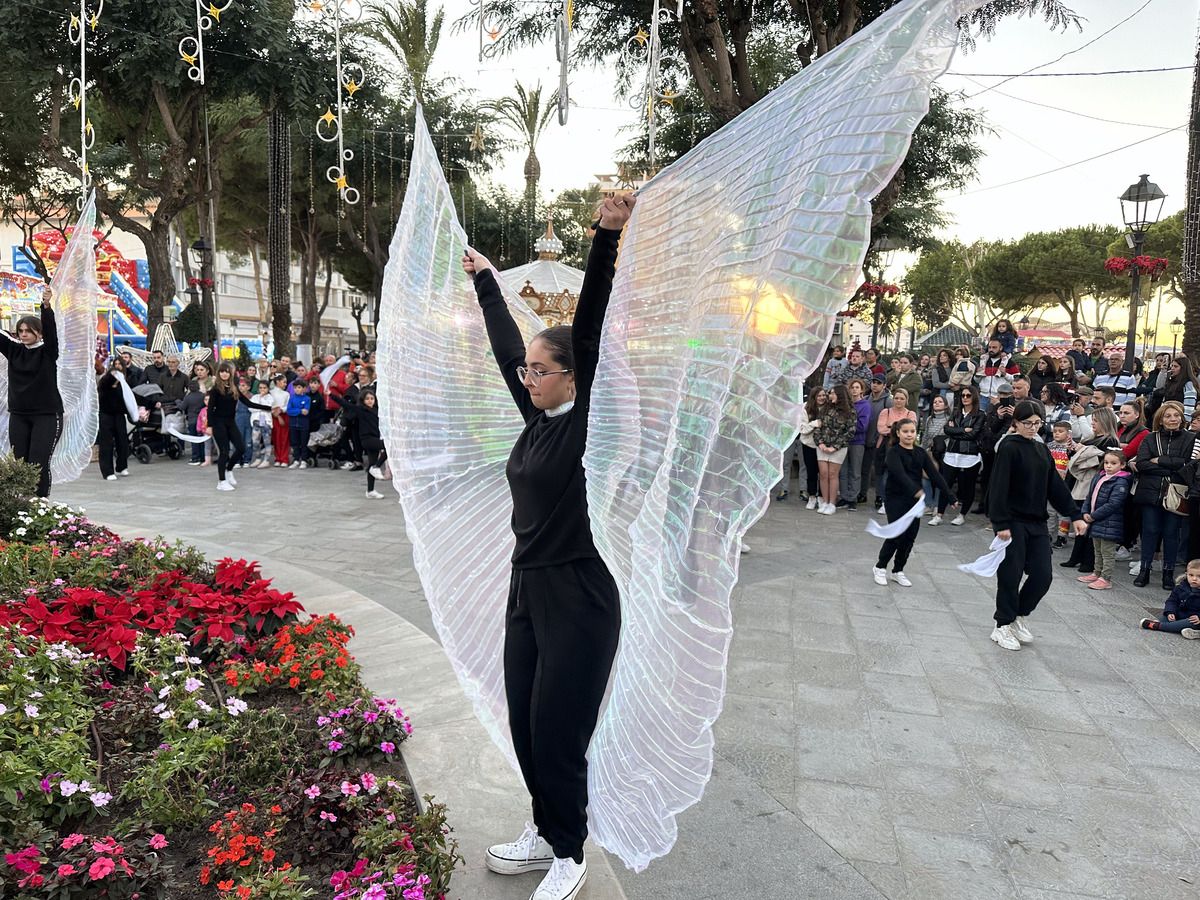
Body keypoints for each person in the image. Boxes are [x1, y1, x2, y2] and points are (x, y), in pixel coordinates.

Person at [466, 195, 631, 900]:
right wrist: (485, 281)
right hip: (528, 588)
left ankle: (569, 851)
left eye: (540, 370)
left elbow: (588, 327)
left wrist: (604, 238)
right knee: (528, 726)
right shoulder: (535, 418)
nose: (526, 377)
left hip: (581, 595)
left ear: (570, 376)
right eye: (526, 371)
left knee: (560, 734)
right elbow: (508, 347)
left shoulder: (579, 422)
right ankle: (543, 828)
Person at [988, 400, 1086, 651]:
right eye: (1027, 423)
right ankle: (1002, 625)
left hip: (1036, 521)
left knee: (1043, 575)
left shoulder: (1042, 450)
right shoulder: (1009, 447)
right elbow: (998, 486)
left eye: (1037, 423)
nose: (1033, 428)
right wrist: (1000, 522)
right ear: (1016, 423)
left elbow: (1054, 485)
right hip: (1012, 521)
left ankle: (1019, 615)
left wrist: (1074, 514)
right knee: (1011, 574)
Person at [871, 419, 956, 587]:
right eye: (905, 431)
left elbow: (935, 475)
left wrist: (950, 495)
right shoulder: (893, 452)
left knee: (910, 536)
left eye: (912, 431)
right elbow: (899, 474)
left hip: (915, 501)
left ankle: (898, 570)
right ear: (898, 433)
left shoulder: (920, 452)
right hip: (896, 498)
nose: (909, 434)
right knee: (896, 533)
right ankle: (880, 567)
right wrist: (915, 490)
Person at [0, 284, 62, 497]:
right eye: (21, 331)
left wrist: (46, 306)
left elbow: (52, 333)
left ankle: (40, 503)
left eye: (29, 331)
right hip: (19, 415)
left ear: (38, 332)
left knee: (38, 462)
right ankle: (22, 504)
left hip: (46, 414)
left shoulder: (48, 352)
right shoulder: (14, 349)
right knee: (20, 463)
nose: (24, 334)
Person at [1132, 401, 1196, 588]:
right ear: (1160, 420)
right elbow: (1142, 464)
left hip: (1176, 495)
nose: (1173, 419)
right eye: (1168, 416)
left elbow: (1189, 465)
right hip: (1151, 493)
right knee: (1150, 532)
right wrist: (1172, 468)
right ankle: (1144, 570)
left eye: (1176, 416)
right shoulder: (1150, 439)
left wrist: (1160, 460)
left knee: (1171, 534)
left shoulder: (1190, 438)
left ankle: (1168, 573)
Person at [205, 362, 271, 491]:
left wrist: (267, 408)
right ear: (219, 373)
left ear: (230, 373)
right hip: (218, 423)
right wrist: (209, 425)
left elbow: (247, 402)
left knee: (241, 448)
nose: (224, 374)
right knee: (224, 452)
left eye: (227, 371)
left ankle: (229, 470)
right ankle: (221, 481)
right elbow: (210, 409)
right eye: (222, 371)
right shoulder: (215, 390)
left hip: (231, 422)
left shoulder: (234, 388)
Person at [1077, 450, 1130, 591]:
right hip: (1096, 520)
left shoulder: (1121, 481)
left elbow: (1114, 504)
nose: (1108, 466)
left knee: (1107, 552)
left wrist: (1093, 516)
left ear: (1123, 465)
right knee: (1098, 550)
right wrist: (1085, 512)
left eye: (1113, 463)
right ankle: (1097, 572)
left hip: (1109, 522)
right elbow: (1090, 495)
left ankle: (1106, 578)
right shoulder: (1100, 476)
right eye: (1106, 462)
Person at [932, 384, 984, 527]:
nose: (965, 398)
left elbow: (974, 434)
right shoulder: (956, 412)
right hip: (952, 454)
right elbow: (947, 430)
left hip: (970, 456)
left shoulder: (980, 414)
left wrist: (956, 431)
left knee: (967, 487)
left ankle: (962, 515)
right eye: (963, 395)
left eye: (968, 395)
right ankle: (939, 514)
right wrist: (963, 430)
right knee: (945, 484)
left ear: (974, 397)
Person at [816, 384, 856, 515]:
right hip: (822, 446)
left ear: (840, 395)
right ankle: (825, 501)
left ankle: (832, 503)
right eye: (830, 393)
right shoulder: (825, 409)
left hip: (838, 448)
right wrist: (820, 443)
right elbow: (818, 427)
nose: (830, 395)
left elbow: (850, 432)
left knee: (832, 474)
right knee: (823, 474)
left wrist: (835, 447)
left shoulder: (850, 411)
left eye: (832, 393)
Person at [873, 387, 917, 508]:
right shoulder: (885, 412)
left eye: (902, 398)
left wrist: (891, 427)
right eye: (896, 398)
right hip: (884, 446)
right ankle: (883, 499)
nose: (898, 401)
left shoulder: (910, 414)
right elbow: (881, 429)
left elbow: (910, 430)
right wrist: (898, 428)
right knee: (883, 473)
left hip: (903, 448)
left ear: (906, 400)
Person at [1139, 559, 1200, 638]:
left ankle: (1158, 626)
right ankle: (1167, 625)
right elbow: (1172, 601)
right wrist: (1170, 612)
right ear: (1186, 574)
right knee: (1164, 618)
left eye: (1199, 576)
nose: (1194, 579)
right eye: (1191, 575)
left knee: (1190, 622)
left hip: (1194, 619)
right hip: (1179, 614)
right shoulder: (1181, 587)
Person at [96, 357, 132, 481]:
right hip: (106, 414)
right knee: (106, 443)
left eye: (119, 364)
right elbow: (103, 386)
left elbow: (130, 397)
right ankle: (107, 471)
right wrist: (112, 376)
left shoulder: (124, 382)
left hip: (119, 415)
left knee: (122, 441)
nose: (117, 366)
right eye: (115, 364)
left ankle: (122, 466)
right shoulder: (106, 380)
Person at [838, 379, 870, 510]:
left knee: (855, 471)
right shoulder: (845, 404)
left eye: (857, 387)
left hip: (857, 442)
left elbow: (863, 426)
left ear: (862, 390)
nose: (854, 389)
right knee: (843, 470)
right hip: (844, 442)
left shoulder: (865, 405)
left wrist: (847, 426)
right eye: (852, 387)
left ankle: (853, 498)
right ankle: (844, 497)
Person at [919, 394, 950, 512]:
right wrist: (922, 449)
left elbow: (949, 436)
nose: (936, 403)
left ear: (946, 405)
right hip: (930, 452)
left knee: (939, 479)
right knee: (925, 477)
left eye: (940, 401)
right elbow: (926, 435)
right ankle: (928, 504)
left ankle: (937, 505)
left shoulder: (949, 419)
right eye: (935, 401)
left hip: (943, 453)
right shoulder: (929, 419)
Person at [797, 388, 824, 510]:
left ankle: (822, 497)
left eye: (824, 395)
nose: (822, 398)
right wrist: (814, 424)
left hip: (824, 445)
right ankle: (812, 496)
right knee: (811, 472)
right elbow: (802, 429)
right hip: (809, 444)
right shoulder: (806, 408)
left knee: (823, 473)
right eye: (819, 396)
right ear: (814, 397)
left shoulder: (828, 408)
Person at [358, 388, 387, 499]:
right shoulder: (361, 410)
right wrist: (331, 395)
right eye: (367, 399)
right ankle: (377, 466)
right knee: (389, 446)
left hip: (375, 438)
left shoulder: (376, 410)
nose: (370, 401)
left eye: (372, 398)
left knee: (371, 463)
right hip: (367, 440)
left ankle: (370, 490)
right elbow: (346, 405)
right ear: (363, 400)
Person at [977, 339, 1019, 409]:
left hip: (1000, 398)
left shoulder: (1009, 363)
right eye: (989, 347)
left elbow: (1017, 379)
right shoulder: (983, 361)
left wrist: (1005, 374)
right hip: (983, 397)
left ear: (1001, 348)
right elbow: (977, 381)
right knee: (982, 418)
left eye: (994, 347)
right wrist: (977, 375)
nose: (991, 349)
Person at [1161, 354, 1200, 420]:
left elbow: (1189, 406)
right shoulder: (1171, 381)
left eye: (1176, 366)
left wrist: (1185, 421)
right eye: (1172, 366)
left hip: (1179, 420)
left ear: (1183, 368)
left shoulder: (1188, 384)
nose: (1172, 368)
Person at [287, 380, 313, 469]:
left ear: (304, 389)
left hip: (304, 424)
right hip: (293, 424)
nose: (296, 389)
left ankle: (304, 460)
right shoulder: (292, 398)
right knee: (295, 443)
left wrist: (297, 411)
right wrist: (299, 410)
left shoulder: (307, 399)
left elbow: (306, 411)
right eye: (295, 388)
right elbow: (289, 411)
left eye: (299, 387)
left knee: (304, 443)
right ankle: (296, 459)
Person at [249, 381, 274, 467]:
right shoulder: (255, 397)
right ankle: (258, 458)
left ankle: (266, 460)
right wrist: (260, 407)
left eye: (264, 388)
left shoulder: (270, 397)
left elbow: (268, 407)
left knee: (267, 441)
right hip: (256, 420)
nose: (262, 390)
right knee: (255, 441)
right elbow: (250, 408)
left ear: (268, 388)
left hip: (265, 420)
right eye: (260, 388)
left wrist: (259, 405)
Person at [269, 374, 292, 467]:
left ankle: (284, 458)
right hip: (273, 416)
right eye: (284, 382)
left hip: (284, 415)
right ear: (277, 382)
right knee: (276, 438)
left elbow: (288, 405)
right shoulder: (270, 393)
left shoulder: (286, 394)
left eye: (286, 382)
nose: (285, 384)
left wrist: (282, 410)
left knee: (284, 437)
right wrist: (274, 411)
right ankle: (278, 458)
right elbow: (268, 404)